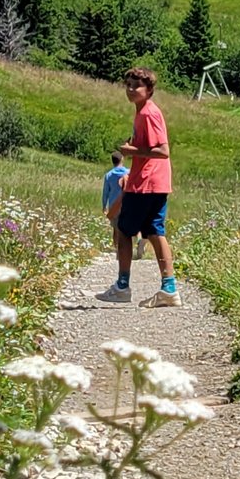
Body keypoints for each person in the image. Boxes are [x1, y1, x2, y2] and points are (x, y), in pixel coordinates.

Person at [102, 67, 178, 307]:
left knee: (124, 230)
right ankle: (169, 288)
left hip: (146, 182)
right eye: (128, 85)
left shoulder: (148, 113)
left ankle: (122, 286)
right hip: (158, 182)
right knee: (155, 231)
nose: (131, 89)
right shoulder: (144, 112)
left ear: (150, 90)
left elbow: (163, 151)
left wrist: (131, 151)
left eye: (137, 86)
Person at [100, 151, 148, 261]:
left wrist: (104, 206)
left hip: (114, 206)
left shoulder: (109, 175)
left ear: (113, 161)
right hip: (129, 203)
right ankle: (139, 240)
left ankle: (118, 250)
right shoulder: (129, 172)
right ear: (122, 159)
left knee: (117, 229)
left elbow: (105, 192)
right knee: (134, 225)